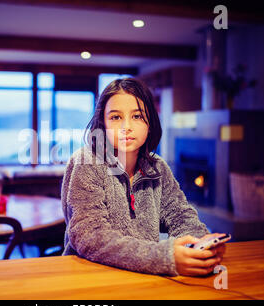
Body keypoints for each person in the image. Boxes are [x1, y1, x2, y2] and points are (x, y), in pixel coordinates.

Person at [61, 78, 226, 276]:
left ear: (150, 122)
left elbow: (181, 216)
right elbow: (89, 236)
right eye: (115, 117)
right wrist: (164, 257)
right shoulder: (86, 161)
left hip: (143, 276)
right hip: (89, 277)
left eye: (137, 116)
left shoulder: (158, 167)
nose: (126, 126)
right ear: (102, 123)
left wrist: (200, 245)